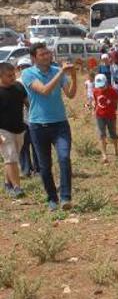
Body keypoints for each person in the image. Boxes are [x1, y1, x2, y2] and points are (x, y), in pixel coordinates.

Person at [21, 43, 77, 211]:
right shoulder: (27, 73)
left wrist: (73, 76)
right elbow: (44, 90)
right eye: (42, 54)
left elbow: (71, 94)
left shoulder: (55, 71)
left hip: (60, 124)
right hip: (38, 126)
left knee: (64, 158)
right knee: (45, 165)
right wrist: (61, 72)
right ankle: (52, 198)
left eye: (48, 53)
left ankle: (65, 197)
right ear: (34, 58)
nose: (47, 56)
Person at [0, 62, 28, 198]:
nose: (13, 77)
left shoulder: (18, 87)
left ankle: (7, 183)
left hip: (19, 128)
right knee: (10, 157)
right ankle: (17, 187)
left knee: (12, 157)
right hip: (3, 130)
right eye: (9, 75)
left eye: (14, 75)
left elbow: (28, 103)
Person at [15, 57, 38, 178]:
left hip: (35, 117)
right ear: (18, 68)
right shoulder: (16, 83)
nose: (24, 69)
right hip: (21, 119)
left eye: (27, 66)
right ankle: (25, 170)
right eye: (22, 67)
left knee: (36, 145)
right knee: (23, 146)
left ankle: (38, 170)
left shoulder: (36, 80)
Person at [92, 74, 118, 163]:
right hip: (99, 116)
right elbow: (95, 101)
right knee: (101, 135)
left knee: (113, 134)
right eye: (99, 86)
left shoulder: (112, 91)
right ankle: (104, 155)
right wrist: (93, 107)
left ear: (106, 82)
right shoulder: (95, 90)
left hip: (111, 116)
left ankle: (116, 150)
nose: (101, 88)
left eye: (103, 86)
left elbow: (117, 101)